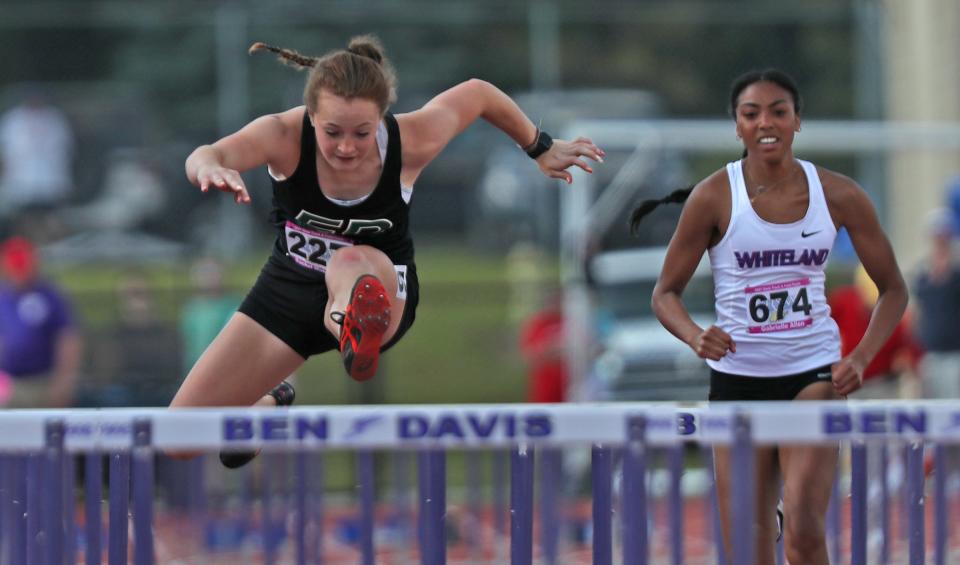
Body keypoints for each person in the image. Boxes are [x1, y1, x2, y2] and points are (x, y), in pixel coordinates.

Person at [168, 35, 603, 465]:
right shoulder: (282, 135)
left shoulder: (411, 139)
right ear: (311, 116)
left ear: (383, 118)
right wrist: (209, 166)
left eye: (362, 132)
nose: (347, 147)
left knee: (348, 259)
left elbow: (478, 94)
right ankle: (270, 403)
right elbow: (208, 152)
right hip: (288, 290)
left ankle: (352, 325)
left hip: (379, 286)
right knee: (177, 439)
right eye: (333, 132)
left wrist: (540, 146)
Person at [630, 69, 908, 565]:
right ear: (736, 126)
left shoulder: (838, 195)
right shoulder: (714, 197)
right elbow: (664, 294)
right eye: (751, 114)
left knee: (804, 529)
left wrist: (862, 357)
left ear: (797, 120)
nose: (766, 123)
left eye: (778, 111)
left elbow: (893, 290)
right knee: (746, 549)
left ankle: (792, 515)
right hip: (739, 380)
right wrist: (696, 336)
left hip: (813, 375)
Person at [0, 236, 82, 407]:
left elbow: (68, 339)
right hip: (9, 383)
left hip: (44, 381)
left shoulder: (50, 296)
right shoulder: (3, 297)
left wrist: (63, 381)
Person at [828, 263, 921, 399]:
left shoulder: (894, 315)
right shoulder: (842, 301)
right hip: (849, 384)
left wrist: (905, 359)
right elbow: (821, 325)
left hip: (882, 385)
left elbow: (910, 349)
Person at [0, 87, 75, 240]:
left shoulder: (54, 119)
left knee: (50, 216)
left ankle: (48, 245)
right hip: (22, 177)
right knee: (23, 216)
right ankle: (26, 246)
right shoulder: (13, 120)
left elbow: (64, 150)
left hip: (49, 177)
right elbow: (6, 150)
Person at [913, 207, 960, 400]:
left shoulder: (956, 276)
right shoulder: (923, 276)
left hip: (955, 355)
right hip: (930, 354)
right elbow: (918, 313)